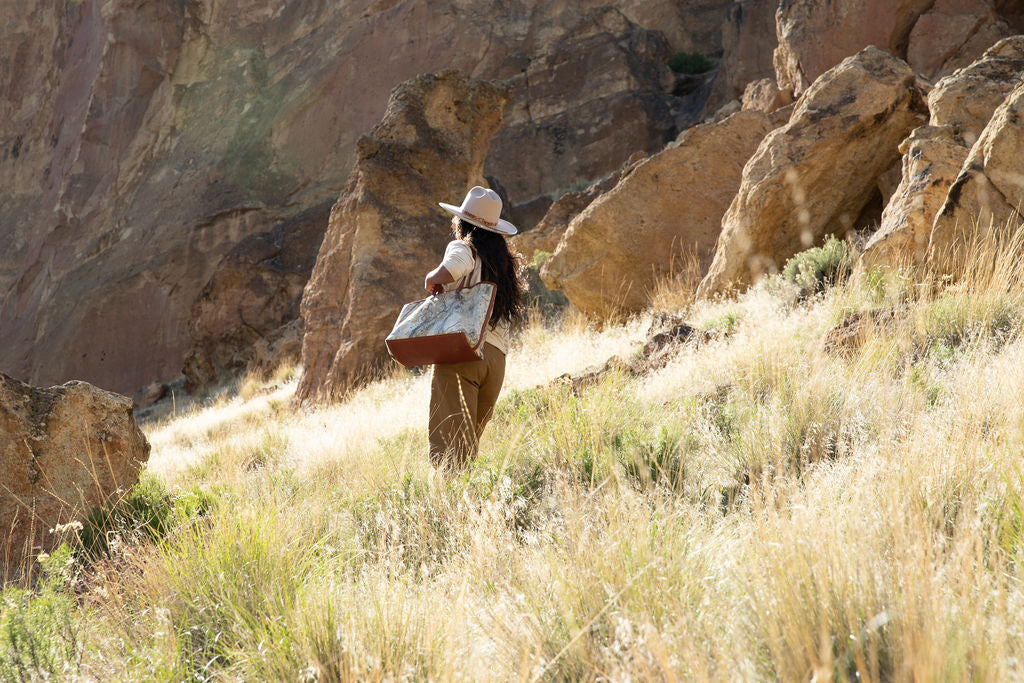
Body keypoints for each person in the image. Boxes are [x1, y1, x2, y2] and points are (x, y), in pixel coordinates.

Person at [423, 186, 526, 471]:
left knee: (450, 455)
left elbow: (450, 270)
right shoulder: (505, 265)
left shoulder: (464, 247)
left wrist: (430, 279)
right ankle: (472, 510)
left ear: (461, 222)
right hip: (496, 361)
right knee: (468, 449)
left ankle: (450, 513)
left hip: (463, 353)